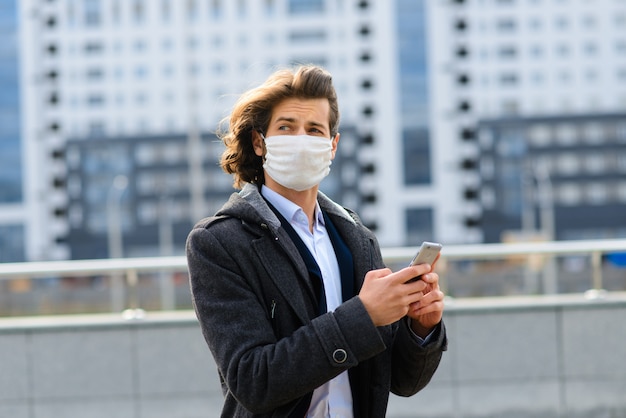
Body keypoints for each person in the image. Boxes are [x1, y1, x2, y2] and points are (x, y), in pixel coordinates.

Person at [186, 64, 447, 417]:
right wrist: (364, 315)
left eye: (314, 130)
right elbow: (253, 381)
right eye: (286, 127)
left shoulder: (357, 239)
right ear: (259, 142)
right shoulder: (219, 243)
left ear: (333, 145)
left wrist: (421, 328)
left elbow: (401, 381)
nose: (301, 140)